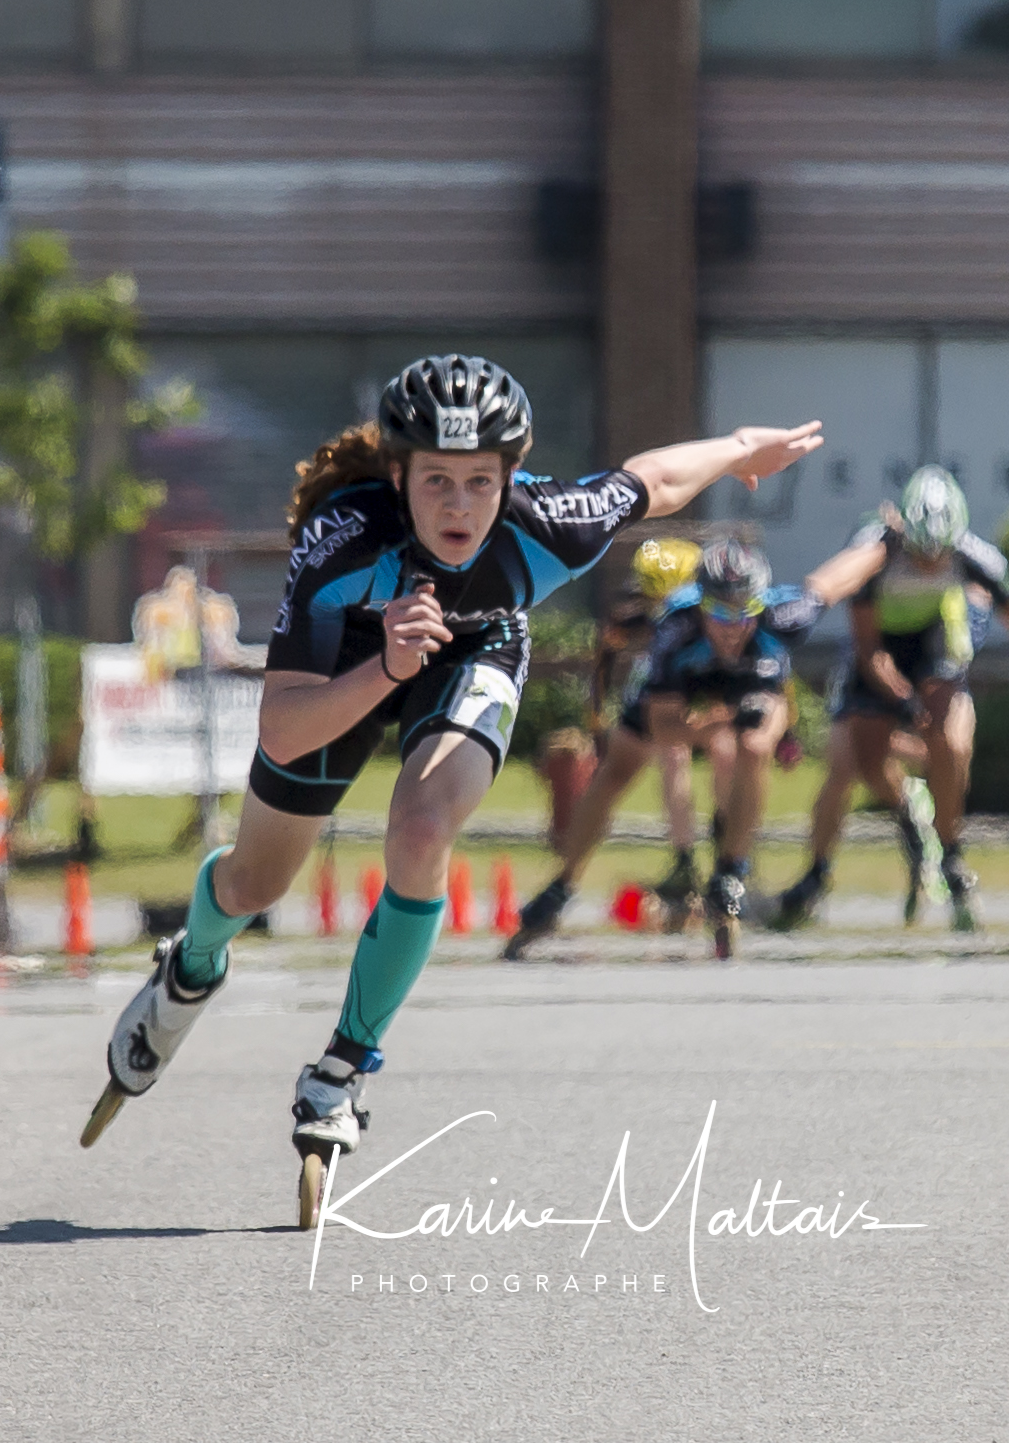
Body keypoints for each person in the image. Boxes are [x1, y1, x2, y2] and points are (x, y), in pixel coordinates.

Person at [76, 353, 824, 1225]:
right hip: (345, 672)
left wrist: (740, 448)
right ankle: (190, 973)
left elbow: (651, 481)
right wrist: (387, 667)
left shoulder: (545, 525)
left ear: (512, 476)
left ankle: (342, 1070)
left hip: (474, 647)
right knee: (253, 884)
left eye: (480, 481)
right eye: (437, 481)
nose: (461, 505)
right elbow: (282, 726)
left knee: (424, 832)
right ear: (398, 476)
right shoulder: (344, 540)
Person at [504, 535, 880, 960]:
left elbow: (832, 580)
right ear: (702, 603)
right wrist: (719, 722)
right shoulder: (675, 628)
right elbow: (664, 728)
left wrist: (883, 542)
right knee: (617, 770)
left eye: (745, 609)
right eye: (720, 611)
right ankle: (561, 885)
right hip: (684, 689)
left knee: (756, 744)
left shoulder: (783, 615)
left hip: (752, 685)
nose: (733, 625)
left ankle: (732, 871)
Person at [792, 467, 1003, 932]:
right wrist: (902, 699)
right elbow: (867, 647)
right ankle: (906, 819)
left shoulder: (973, 555)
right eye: (920, 554)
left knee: (952, 743)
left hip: (933, 642)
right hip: (879, 649)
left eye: (940, 555)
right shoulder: (875, 548)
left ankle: (951, 857)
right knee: (853, 761)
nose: (931, 563)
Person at [592, 537, 711, 918]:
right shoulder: (636, 614)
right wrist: (597, 713)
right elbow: (605, 653)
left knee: (682, 761)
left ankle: (703, 856)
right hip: (657, 697)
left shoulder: (704, 614)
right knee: (664, 762)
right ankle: (685, 858)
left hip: (697, 696)